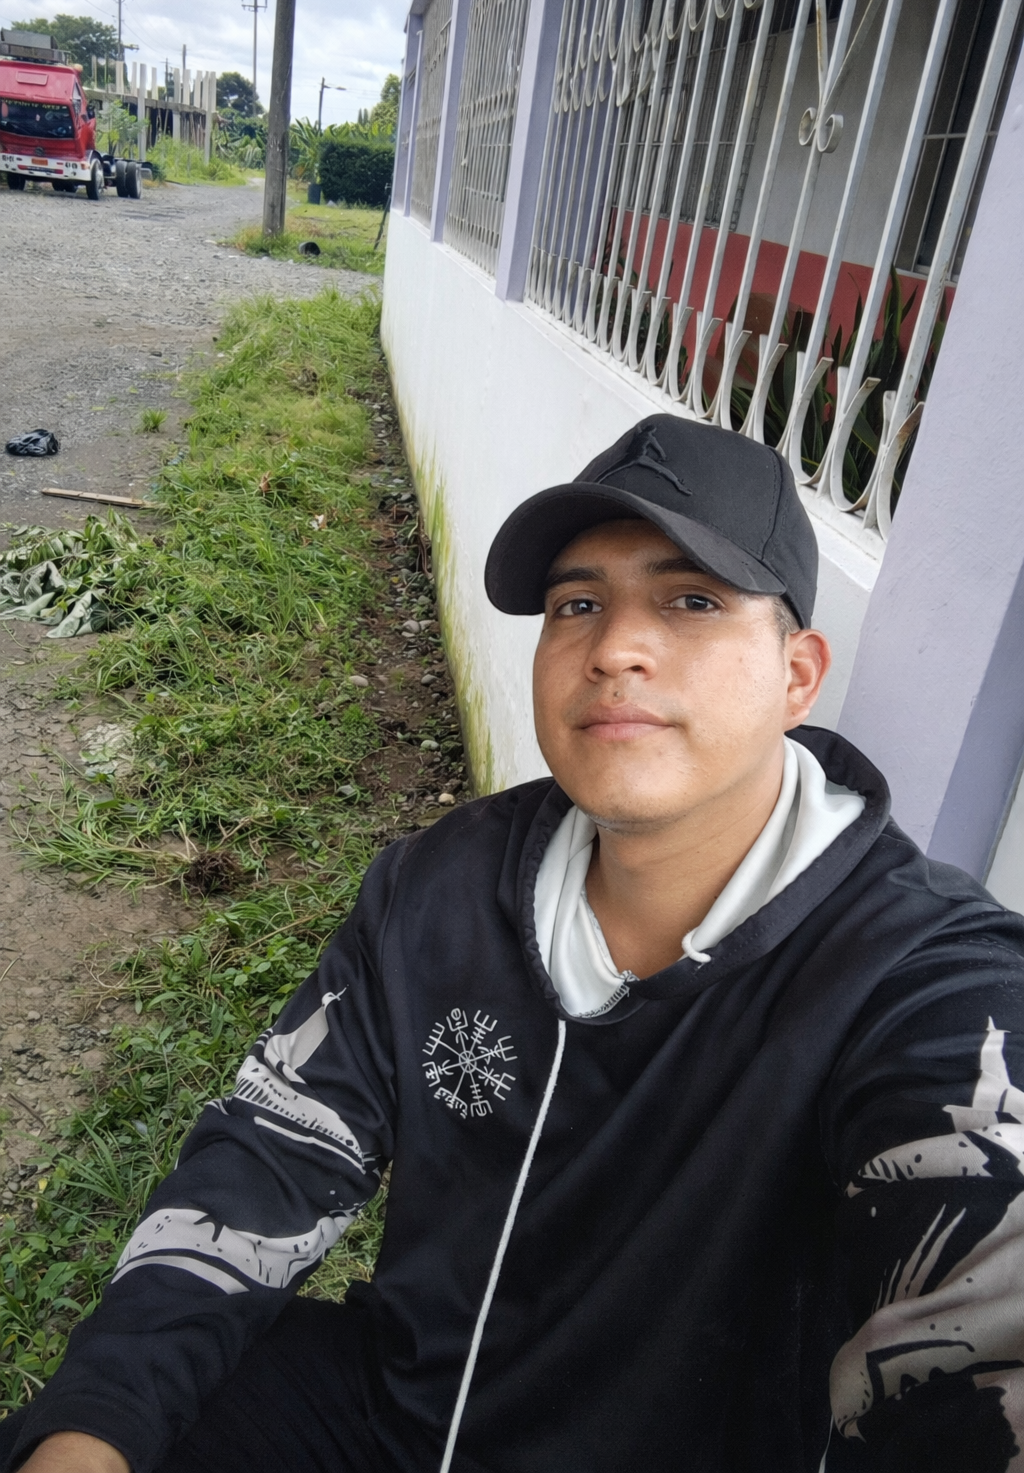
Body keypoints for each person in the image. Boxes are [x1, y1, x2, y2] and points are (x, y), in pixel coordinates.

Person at [6, 414, 1024, 1473]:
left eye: (691, 601)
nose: (615, 649)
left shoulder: (920, 983)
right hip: (402, 1416)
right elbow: (276, 1149)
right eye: (577, 605)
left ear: (797, 675)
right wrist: (94, 1432)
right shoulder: (441, 885)